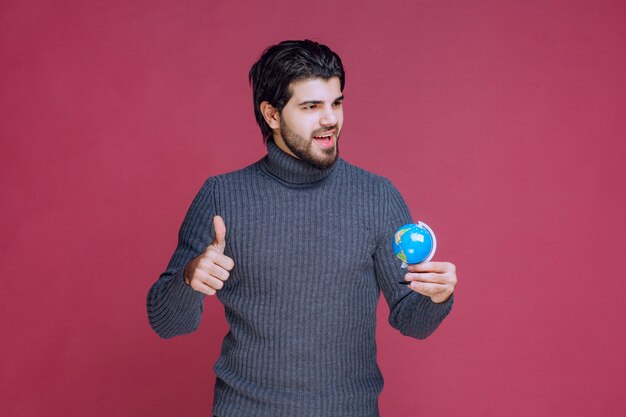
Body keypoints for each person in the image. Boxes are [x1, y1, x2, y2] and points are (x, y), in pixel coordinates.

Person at [147, 39, 457, 417]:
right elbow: (166, 323)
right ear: (272, 115)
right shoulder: (221, 196)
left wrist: (436, 296)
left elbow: (413, 321)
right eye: (311, 106)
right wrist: (189, 279)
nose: (330, 119)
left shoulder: (377, 196)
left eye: (336, 102)